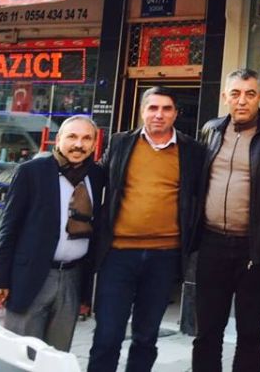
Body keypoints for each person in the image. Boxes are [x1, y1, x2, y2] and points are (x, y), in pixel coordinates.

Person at [88, 86, 205, 372]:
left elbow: (200, 197)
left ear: (176, 113)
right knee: (107, 335)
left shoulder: (192, 151)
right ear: (142, 112)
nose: (159, 114)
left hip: (164, 257)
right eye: (152, 108)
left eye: (166, 109)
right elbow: (94, 178)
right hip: (118, 255)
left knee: (146, 337)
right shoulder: (120, 143)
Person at [193, 68, 260, 371]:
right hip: (212, 244)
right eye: (236, 94)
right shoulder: (211, 130)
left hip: (255, 249)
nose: (242, 100)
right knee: (207, 331)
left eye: (250, 94)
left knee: (250, 333)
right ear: (224, 96)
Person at [0, 115, 104, 351]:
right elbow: (8, 229)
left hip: (73, 278)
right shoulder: (31, 172)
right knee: (21, 354)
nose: (79, 144)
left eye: (86, 138)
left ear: (94, 144)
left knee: (57, 354)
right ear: (58, 139)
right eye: (72, 137)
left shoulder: (97, 175)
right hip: (31, 276)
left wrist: (86, 291)